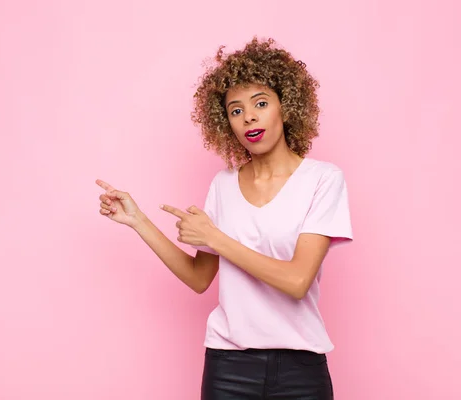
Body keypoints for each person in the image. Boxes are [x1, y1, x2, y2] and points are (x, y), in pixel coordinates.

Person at [95, 37, 353, 400]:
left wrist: (216, 239)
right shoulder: (223, 184)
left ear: (286, 107)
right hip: (228, 367)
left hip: (301, 370)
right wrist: (138, 220)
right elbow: (200, 278)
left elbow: (297, 280)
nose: (248, 116)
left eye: (260, 104)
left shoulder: (323, 180)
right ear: (225, 122)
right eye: (235, 110)